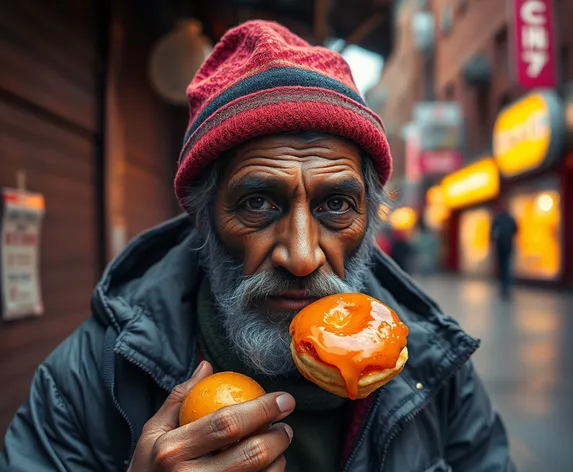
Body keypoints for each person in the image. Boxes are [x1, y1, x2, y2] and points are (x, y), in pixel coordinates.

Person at [0, 21, 514, 472]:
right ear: (202, 217)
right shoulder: (89, 379)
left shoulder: (432, 368)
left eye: (336, 206)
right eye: (258, 203)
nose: (302, 255)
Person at [491, 200, 518, 298]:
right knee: (504, 266)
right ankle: (505, 285)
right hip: (503, 246)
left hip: (505, 246)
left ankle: (506, 285)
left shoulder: (500, 219)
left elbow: (516, 230)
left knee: (505, 266)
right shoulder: (505, 219)